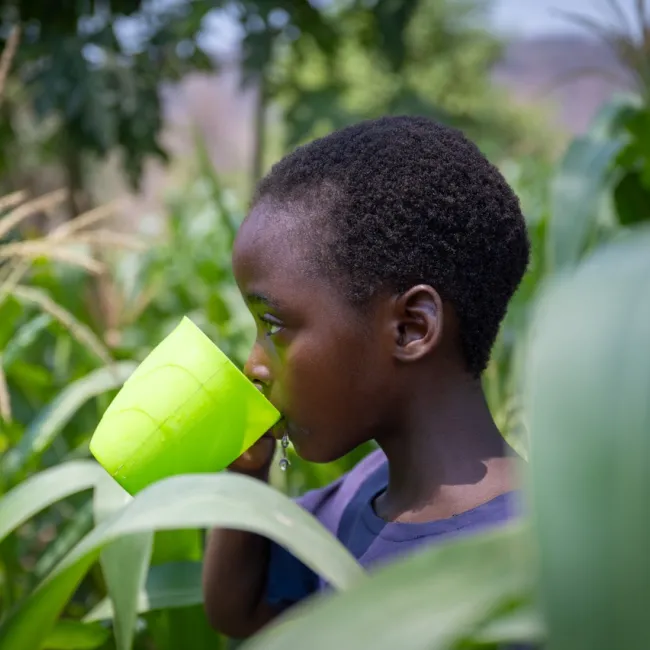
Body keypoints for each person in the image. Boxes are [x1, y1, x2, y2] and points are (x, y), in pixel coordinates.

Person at [202, 115, 530, 639]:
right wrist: (246, 472)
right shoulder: (367, 488)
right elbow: (243, 612)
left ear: (410, 327)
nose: (254, 366)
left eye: (274, 325)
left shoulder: (529, 565)